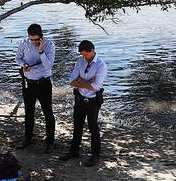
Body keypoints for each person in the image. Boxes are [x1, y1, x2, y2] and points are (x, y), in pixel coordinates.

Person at [62, 39, 108, 168]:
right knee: (77, 124)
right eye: (82, 54)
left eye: (85, 54)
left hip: (93, 100)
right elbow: (71, 81)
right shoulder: (80, 61)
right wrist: (86, 82)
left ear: (92, 51)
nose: (84, 57)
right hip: (80, 98)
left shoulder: (101, 65)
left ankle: (95, 154)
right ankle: (74, 150)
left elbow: (95, 87)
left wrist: (81, 81)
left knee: (93, 127)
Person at [15, 23, 56, 152]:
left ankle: (50, 141)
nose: (33, 42)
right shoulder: (23, 43)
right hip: (29, 82)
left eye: (36, 39)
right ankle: (28, 138)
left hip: (43, 83)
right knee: (29, 112)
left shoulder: (49, 45)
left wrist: (41, 50)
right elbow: (18, 58)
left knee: (47, 112)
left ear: (41, 36)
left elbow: (48, 65)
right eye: (31, 39)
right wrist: (23, 64)